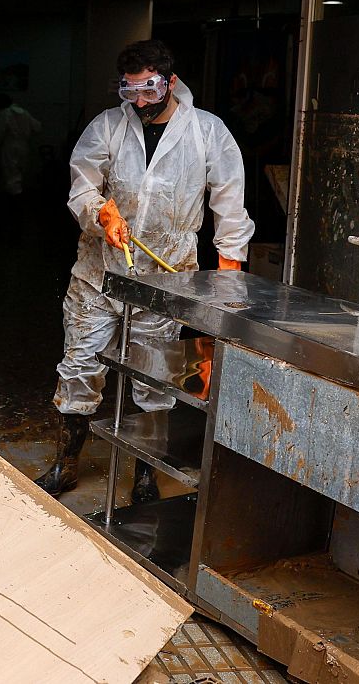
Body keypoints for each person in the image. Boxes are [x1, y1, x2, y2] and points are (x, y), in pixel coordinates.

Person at [36, 40, 253, 502]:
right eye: (130, 91)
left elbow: (230, 205)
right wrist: (101, 215)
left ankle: (146, 473)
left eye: (149, 91)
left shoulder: (207, 132)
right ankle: (66, 462)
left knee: (154, 377)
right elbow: (82, 187)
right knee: (79, 365)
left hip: (167, 275)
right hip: (100, 273)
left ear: (170, 82)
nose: (138, 102)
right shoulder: (109, 126)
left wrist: (228, 277)